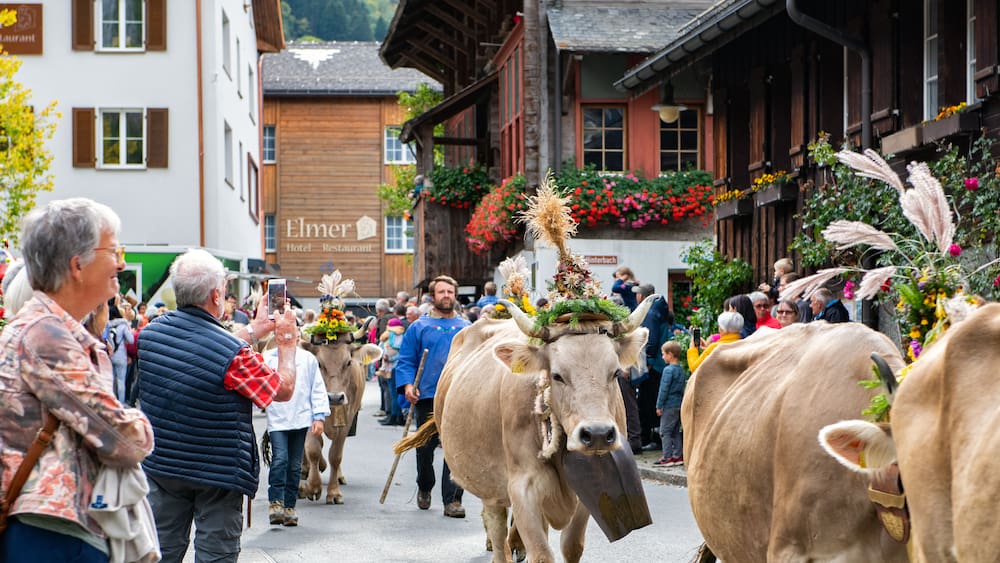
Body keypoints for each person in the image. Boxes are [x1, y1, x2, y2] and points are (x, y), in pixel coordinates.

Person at [0, 198, 154, 562]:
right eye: (113, 248)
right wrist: (139, 422)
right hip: (53, 533)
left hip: (51, 528)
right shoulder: (46, 336)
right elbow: (124, 439)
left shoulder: (45, 329)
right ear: (77, 265)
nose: (120, 261)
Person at [137, 248, 299, 563]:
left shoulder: (150, 335)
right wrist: (287, 343)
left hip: (164, 465)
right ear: (216, 295)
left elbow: (200, 348)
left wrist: (254, 330)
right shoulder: (235, 354)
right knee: (216, 556)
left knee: (160, 553)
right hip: (218, 473)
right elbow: (282, 389)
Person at [395, 274, 470, 518]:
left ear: (455, 295)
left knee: (455, 449)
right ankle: (425, 485)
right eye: (442, 292)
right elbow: (405, 359)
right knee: (425, 448)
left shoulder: (466, 328)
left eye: (450, 292)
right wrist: (407, 385)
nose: (446, 296)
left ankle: (453, 500)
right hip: (427, 396)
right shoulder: (419, 327)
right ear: (433, 296)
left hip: (458, 397)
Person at [262, 341, 328, 527]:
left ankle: (289, 507)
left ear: (298, 336)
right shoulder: (268, 358)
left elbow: (317, 388)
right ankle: (275, 502)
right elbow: (259, 384)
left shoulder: (308, 358)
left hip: (301, 417)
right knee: (280, 458)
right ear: (277, 335)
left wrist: (319, 416)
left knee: (294, 464)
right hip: (277, 418)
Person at [654, 341, 686, 467]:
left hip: (668, 405)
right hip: (678, 404)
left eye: (663, 354)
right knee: (675, 431)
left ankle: (667, 456)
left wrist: (659, 405)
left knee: (664, 431)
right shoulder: (681, 369)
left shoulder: (668, 370)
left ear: (670, 354)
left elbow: (664, 389)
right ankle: (678, 455)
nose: (662, 357)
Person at [105, 297, 135, 403]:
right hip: (121, 355)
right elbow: (131, 340)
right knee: (121, 381)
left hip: (110, 354)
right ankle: (121, 404)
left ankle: (112, 402)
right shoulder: (123, 325)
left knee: (112, 381)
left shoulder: (106, 325)